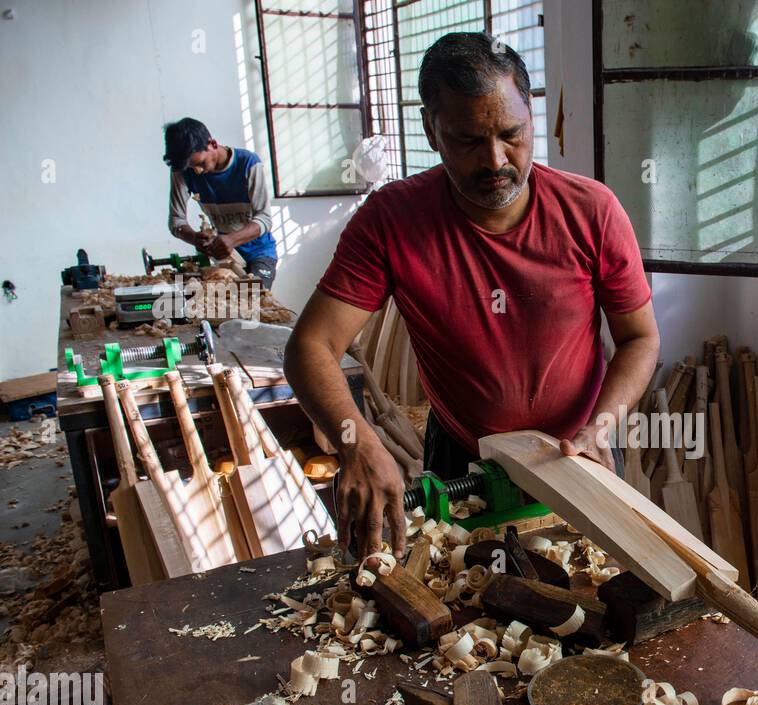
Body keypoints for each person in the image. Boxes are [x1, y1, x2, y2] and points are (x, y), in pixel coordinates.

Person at [285, 33, 660, 560]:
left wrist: (602, 426)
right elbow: (310, 345)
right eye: (467, 140)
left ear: (531, 115)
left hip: (579, 453)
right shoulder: (391, 221)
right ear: (431, 131)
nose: (495, 160)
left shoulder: (592, 210)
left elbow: (640, 337)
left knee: (589, 598)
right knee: (466, 610)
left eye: (512, 134)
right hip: (462, 458)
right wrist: (357, 441)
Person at [163, 118, 279, 288]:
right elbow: (176, 221)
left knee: (255, 298)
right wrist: (195, 238)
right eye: (191, 167)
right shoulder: (184, 170)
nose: (197, 171)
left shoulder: (248, 163)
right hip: (222, 256)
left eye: (201, 163)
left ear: (212, 144)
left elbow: (265, 218)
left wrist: (232, 239)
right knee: (220, 304)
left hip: (259, 252)